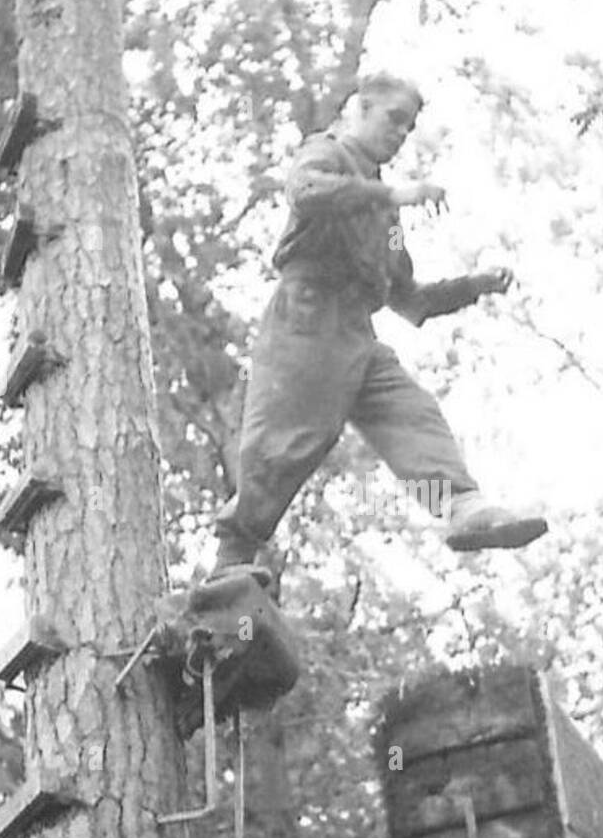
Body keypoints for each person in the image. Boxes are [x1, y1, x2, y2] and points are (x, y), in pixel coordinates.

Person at [212, 71, 547, 583]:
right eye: (393, 119)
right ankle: (232, 560)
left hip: (357, 334)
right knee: (283, 445)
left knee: (412, 416)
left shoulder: (386, 221)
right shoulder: (327, 155)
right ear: (359, 109)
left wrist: (475, 285)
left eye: (408, 128)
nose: (399, 134)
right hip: (307, 316)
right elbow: (306, 192)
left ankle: (460, 507)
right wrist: (394, 194)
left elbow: (409, 300)